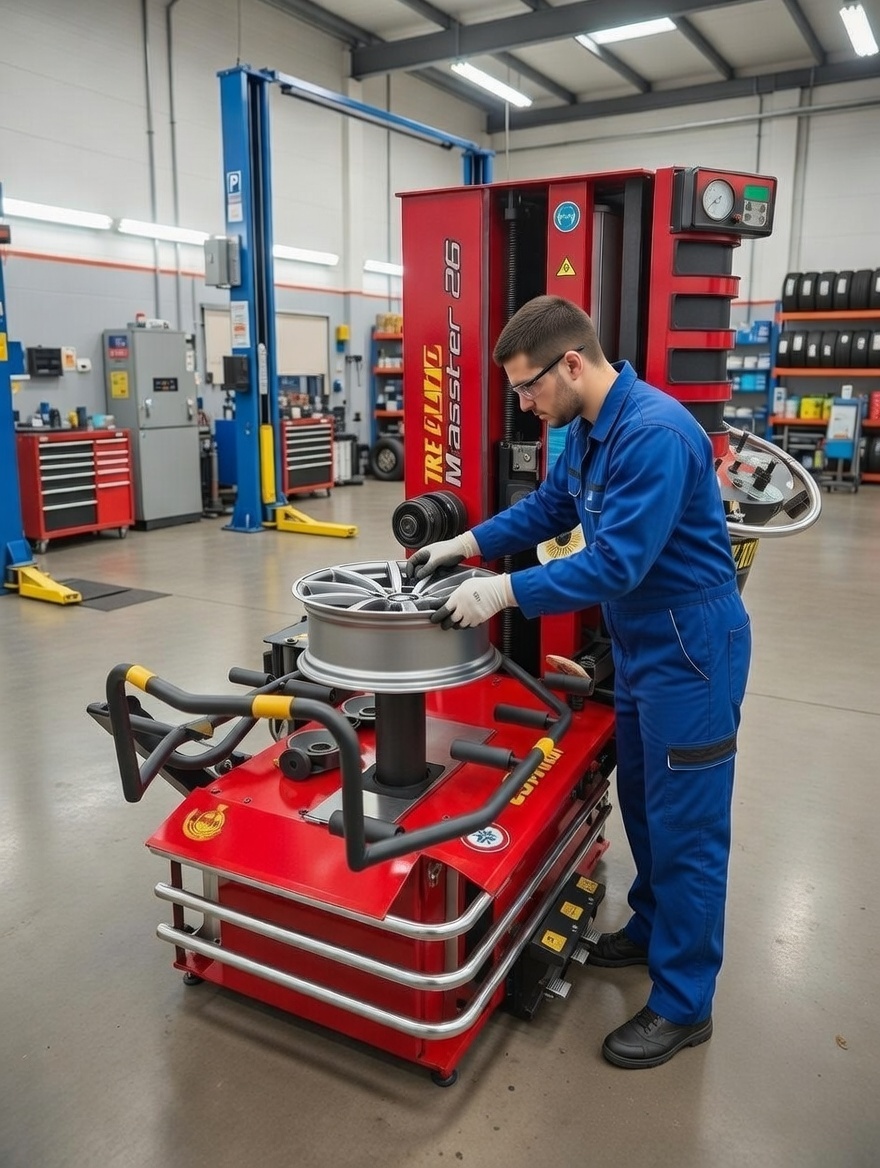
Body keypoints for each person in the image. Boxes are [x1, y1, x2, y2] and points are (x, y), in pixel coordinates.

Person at [405, 295, 751, 1070]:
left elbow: (616, 563)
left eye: (528, 388)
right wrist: (466, 544)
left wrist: (502, 592)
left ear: (570, 363)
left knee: (689, 826)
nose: (525, 405)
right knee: (646, 802)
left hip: (691, 649)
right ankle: (652, 929)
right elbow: (550, 508)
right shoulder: (591, 429)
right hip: (643, 642)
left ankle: (685, 1002)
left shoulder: (655, 434)